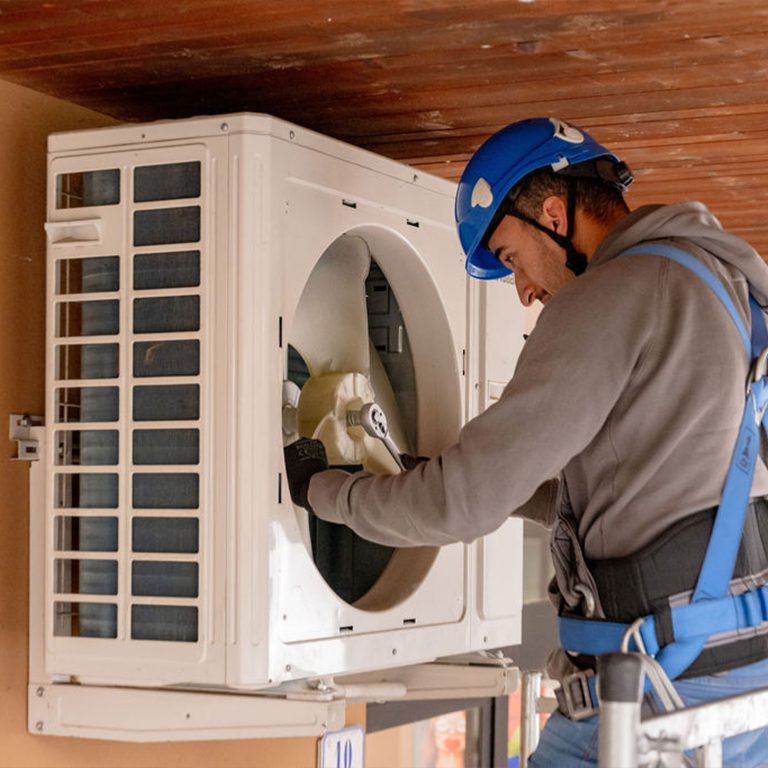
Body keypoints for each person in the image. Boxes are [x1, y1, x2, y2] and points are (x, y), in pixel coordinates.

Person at [284, 117, 768, 765]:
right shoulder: (724, 281)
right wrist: (431, 471)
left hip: (658, 689)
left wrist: (320, 489)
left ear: (552, 213)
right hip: (741, 679)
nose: (525, 291)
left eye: (511, 258)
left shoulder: (605, 299)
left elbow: (459, 506)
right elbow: (627, 486)